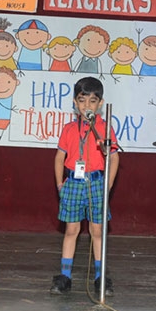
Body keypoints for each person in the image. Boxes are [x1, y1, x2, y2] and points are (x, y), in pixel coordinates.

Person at [50, 77, 119, 296]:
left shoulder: (104, 129)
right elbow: (59, 157)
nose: (86, 105)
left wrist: (107, 186)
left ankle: (100, 277)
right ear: (75, 102)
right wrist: (60, 185)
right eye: (82, 100)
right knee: (72, 230)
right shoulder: (69, 129)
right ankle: (65, 276)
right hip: (73, 183)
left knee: (97, 231)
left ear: (100, 104)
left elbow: (114, 157)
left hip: (96, 183)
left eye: (92, 101)